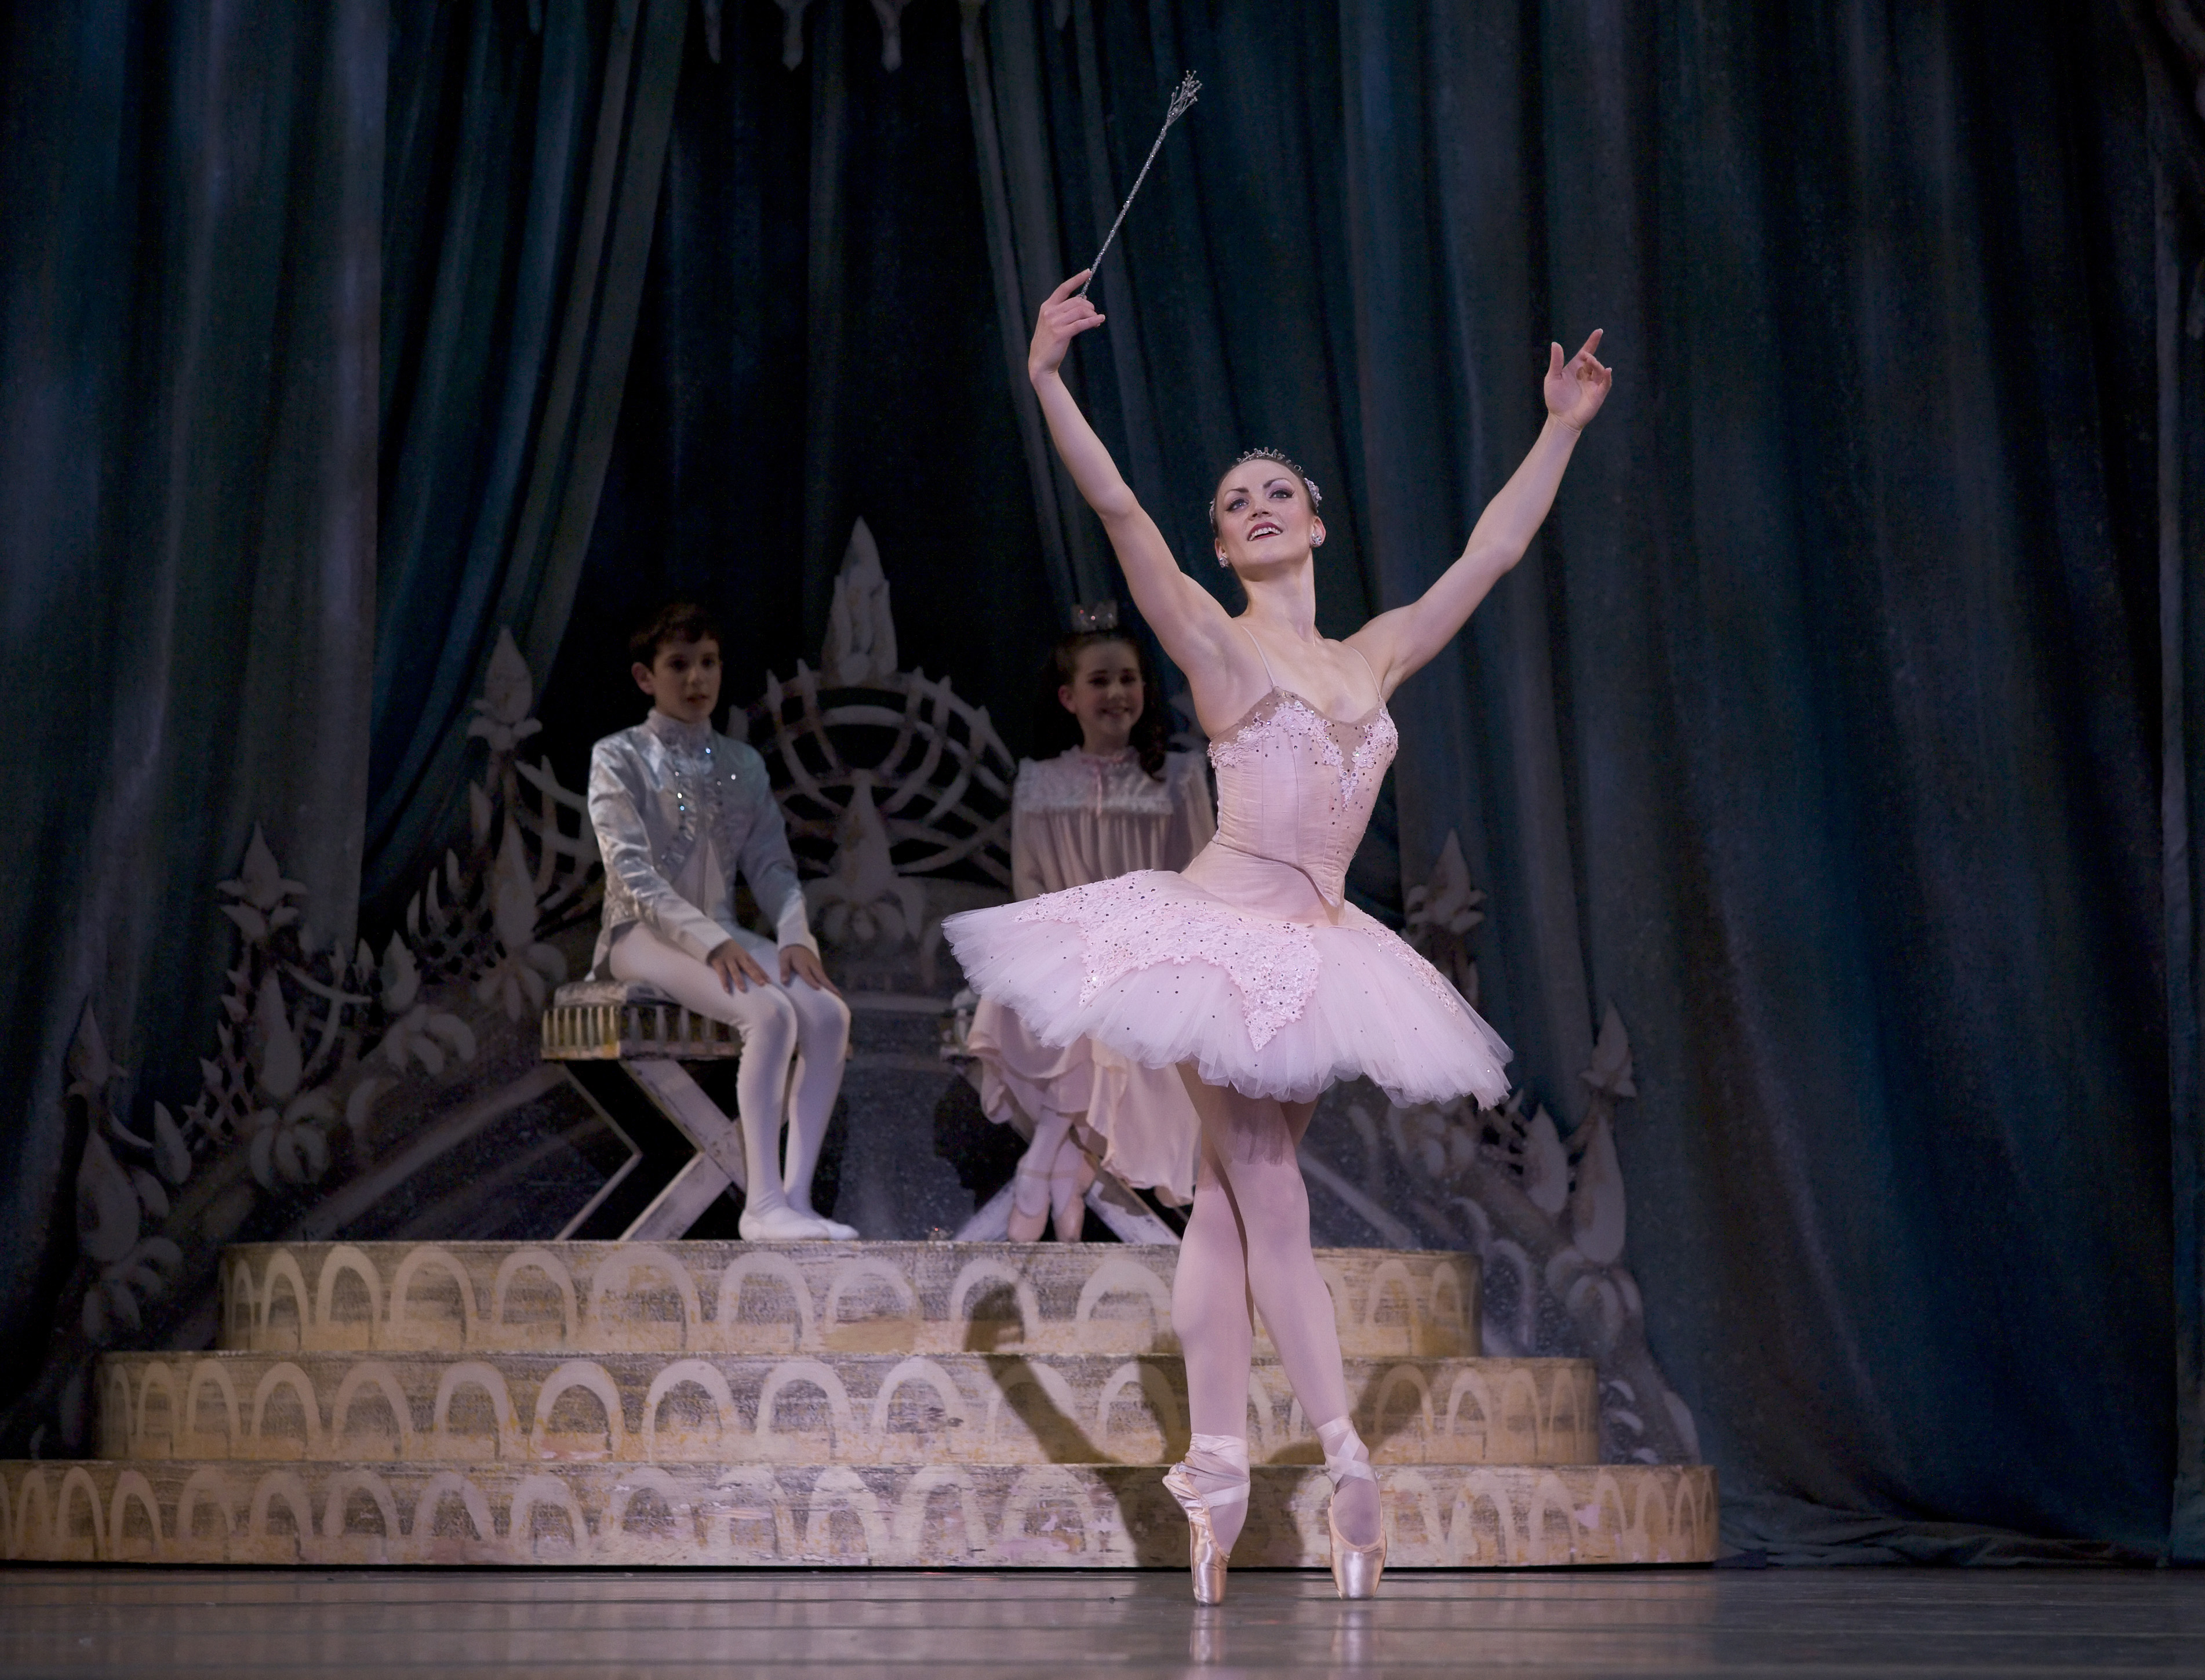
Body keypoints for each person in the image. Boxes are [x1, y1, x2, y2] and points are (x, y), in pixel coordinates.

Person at [944, 273, 1612, 1601]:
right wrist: (1046, 383)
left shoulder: (1372, 654)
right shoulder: (1211, 641)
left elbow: (1487, 554)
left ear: (1314, 522)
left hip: (1317, 948)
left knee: (1228, 1207)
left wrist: (1560, 429)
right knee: (1268, 1192)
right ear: (1226, 543)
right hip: (1219, 931)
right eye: (1232, 501)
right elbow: (1122, 515)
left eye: (1274, 494)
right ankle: (1345, 1463)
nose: (1253, 508)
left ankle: (1219, 1471)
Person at [587, 602, 857, 1242]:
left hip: (720, 932)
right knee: (767, 1013)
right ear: (646, 677)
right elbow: (632, 875)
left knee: (827, 1012)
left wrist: (795, 936)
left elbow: (770, 864)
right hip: (640, 935)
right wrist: (709, 943)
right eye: (678, 665)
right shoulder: (619, 756)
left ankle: (795, 1200)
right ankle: (760, 1204)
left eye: (707, 663)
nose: (697, 679)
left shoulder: (741, 763)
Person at [966, 610, 1215, 1241]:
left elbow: (1201, 879)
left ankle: (1046, 1160)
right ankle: (1065, 1165)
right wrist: (1070, 943)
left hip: (1157, 951)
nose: (1116, 694)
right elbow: (1030, 886)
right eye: (1100, 681)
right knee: (1060, 998)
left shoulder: (1178, 778)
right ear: (1069, 697)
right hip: (1067, 945)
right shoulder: (1040, 782)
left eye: (1128, 679)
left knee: (1122, 1007)